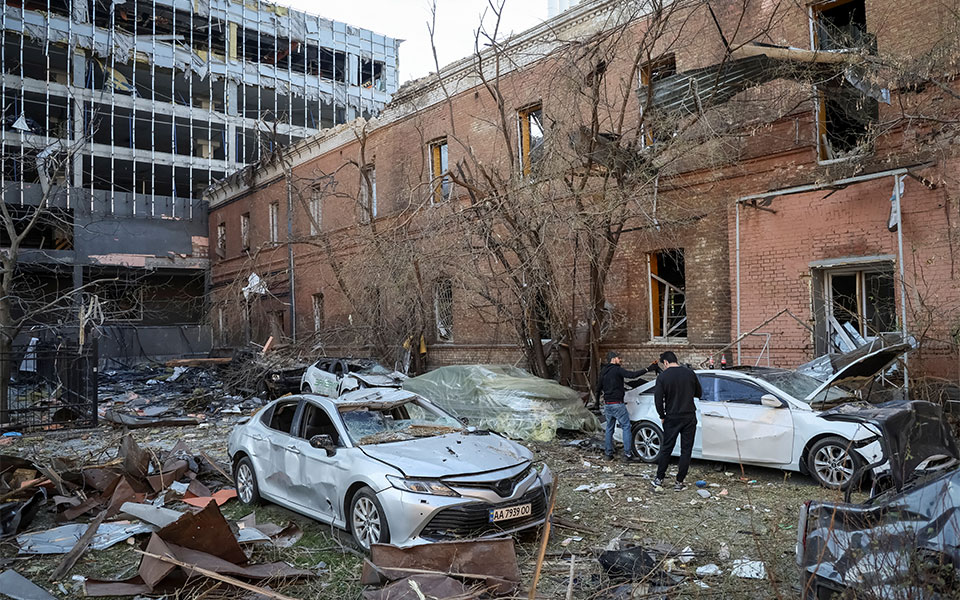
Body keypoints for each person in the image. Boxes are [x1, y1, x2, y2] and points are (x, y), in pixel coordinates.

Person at [652, 351, 702, 491]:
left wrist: (662, 415)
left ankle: (659, 478)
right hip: (689, 416)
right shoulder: (690, 373)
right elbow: (699, 393)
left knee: (667, 448)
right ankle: (679, 482)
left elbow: (658, 400)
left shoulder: (663, 377)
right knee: (686, 450)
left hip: (672, 417)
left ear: (666, 362)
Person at [595, 351, 658, 461]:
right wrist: (648, 369)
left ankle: (608, 454)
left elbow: (598, 388)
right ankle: (627, 454)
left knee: (609, 428)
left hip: (607, 405)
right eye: (619, 358)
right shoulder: (617, 370)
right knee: (626, 427)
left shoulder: (604, 371)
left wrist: (596, 403)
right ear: (614, 359)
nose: (621, 360)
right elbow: (632, 375)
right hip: (618, 405)